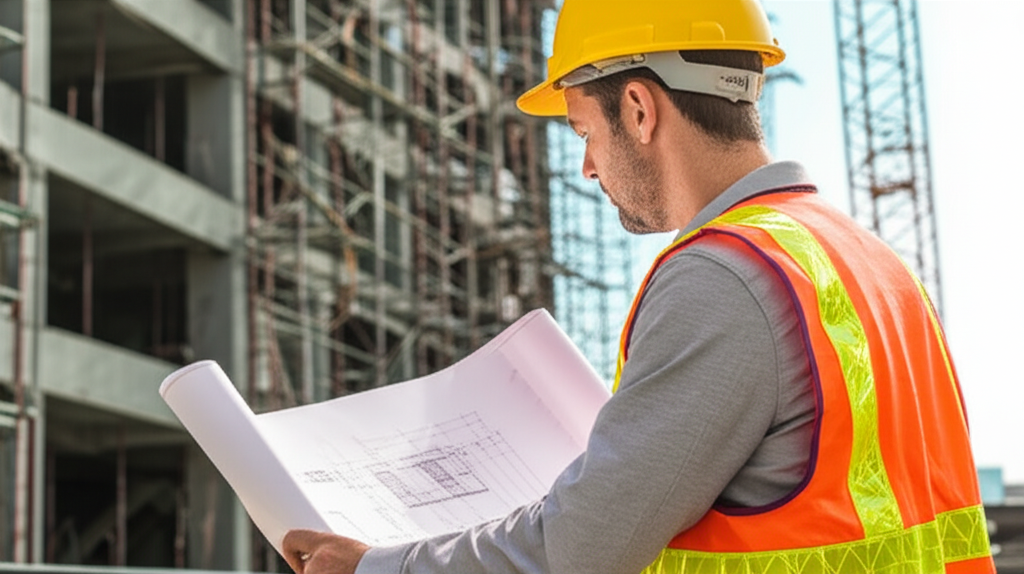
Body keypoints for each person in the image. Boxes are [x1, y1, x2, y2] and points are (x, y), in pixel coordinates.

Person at [283, 1, 995, 572]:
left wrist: (378, 567)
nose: (588, 167)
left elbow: (580, 551)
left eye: (583, 131)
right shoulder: (872, 262)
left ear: (639, 109)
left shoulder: (725, 275)